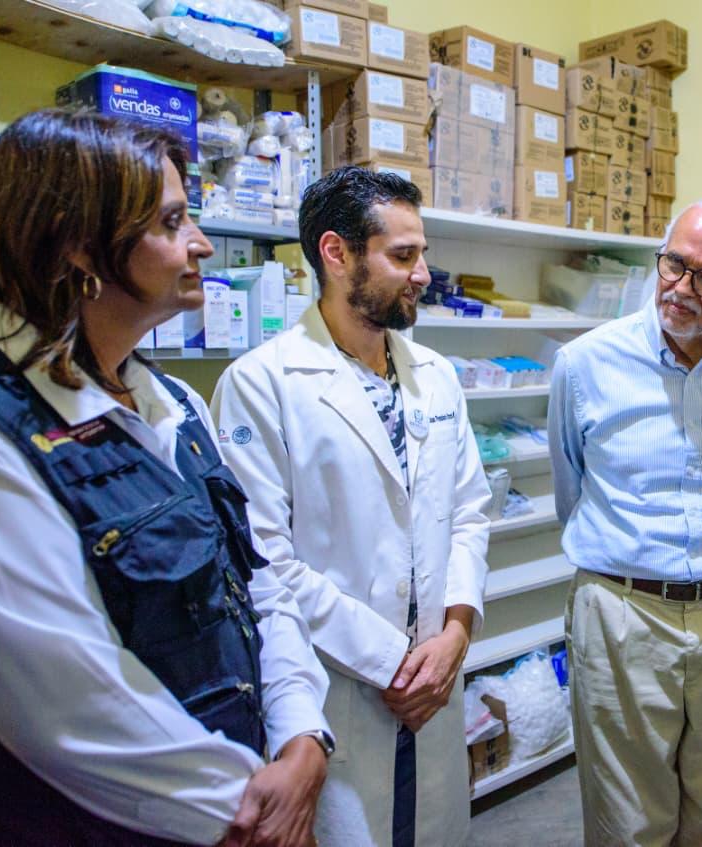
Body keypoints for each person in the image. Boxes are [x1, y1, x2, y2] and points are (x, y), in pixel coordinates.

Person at [0, 109, 332, 846]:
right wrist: (249, 812)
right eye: (172, 221)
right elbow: (70, 705)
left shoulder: (174, 403)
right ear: (77, 244)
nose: (202, 244)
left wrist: (302, 737)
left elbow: (255, 584)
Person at [212, 166, 490, 847]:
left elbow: (469, 511)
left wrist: (455, 635)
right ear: (336, 254)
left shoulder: (436, 376)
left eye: (422, 253)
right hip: (339, 681)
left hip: (436, 677)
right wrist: (391, 659)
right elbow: (263, 560)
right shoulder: (260, 384)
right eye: (403, 256)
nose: (423, 274)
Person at [549, 199, 702, 847]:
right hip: (622, 613)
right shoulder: (584, 363)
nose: (681, 288)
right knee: (627, 822)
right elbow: (571, 491)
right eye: (673, 264)